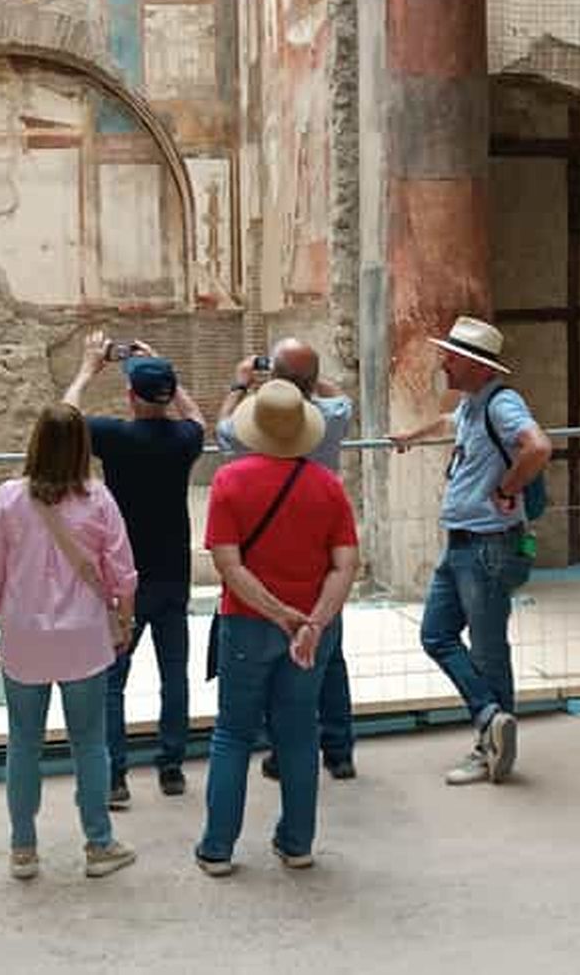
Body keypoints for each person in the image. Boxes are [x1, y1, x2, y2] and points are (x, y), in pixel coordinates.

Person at [197, 379, 359, 876]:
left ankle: (218, 849)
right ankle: (297, 843)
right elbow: (346, 564)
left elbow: (229, 564)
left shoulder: (229, 482)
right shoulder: (328, 485)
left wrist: (275, 610)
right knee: (299, 733)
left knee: (233, 735)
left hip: (247, 623)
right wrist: (313, 622)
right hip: (312, 630)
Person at [0, 403, 138, 880]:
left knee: (23, 743)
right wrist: (124, 621)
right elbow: (122, 571)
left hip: (25, 637)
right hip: (83, 639)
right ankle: (99, 844)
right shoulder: (99, 499)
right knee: (89, 743)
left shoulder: (8, 499)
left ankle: (23, 849)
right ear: (83, 448)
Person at [390, 316, 552, 785]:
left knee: (487, 651)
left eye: (452, 357)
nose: (444, 362)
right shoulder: (473, 404)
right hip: (463, 543)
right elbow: (450, 421)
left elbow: (538, 447)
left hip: (487, 546)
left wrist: (506, 487)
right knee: (436, 634)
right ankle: (490, 718)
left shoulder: (502, 404)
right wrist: (412, 437)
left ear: (479, 367)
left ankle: (491, 748)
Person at [64, 333, 205, 804]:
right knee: (174, 675)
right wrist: (164, 369)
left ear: (130, 396)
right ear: (167, 395)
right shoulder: (185, 440)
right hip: (173, 574)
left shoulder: (116, 437)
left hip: (123, 577)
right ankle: (172, 768)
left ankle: (116, 776)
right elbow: (196, 418)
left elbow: (66, 420)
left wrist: (88, 369)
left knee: (112, 681)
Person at [215, 337, 357, 780]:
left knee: (269, 677)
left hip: (262, 564)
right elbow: (343, 400)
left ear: (273, 379)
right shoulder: (332, 418)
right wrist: (310, 382)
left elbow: (221, 427)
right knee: (328, 657)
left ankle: (282, 750)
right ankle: (339, 750)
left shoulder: (244, 433)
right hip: (320, 558)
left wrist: (241, 385)